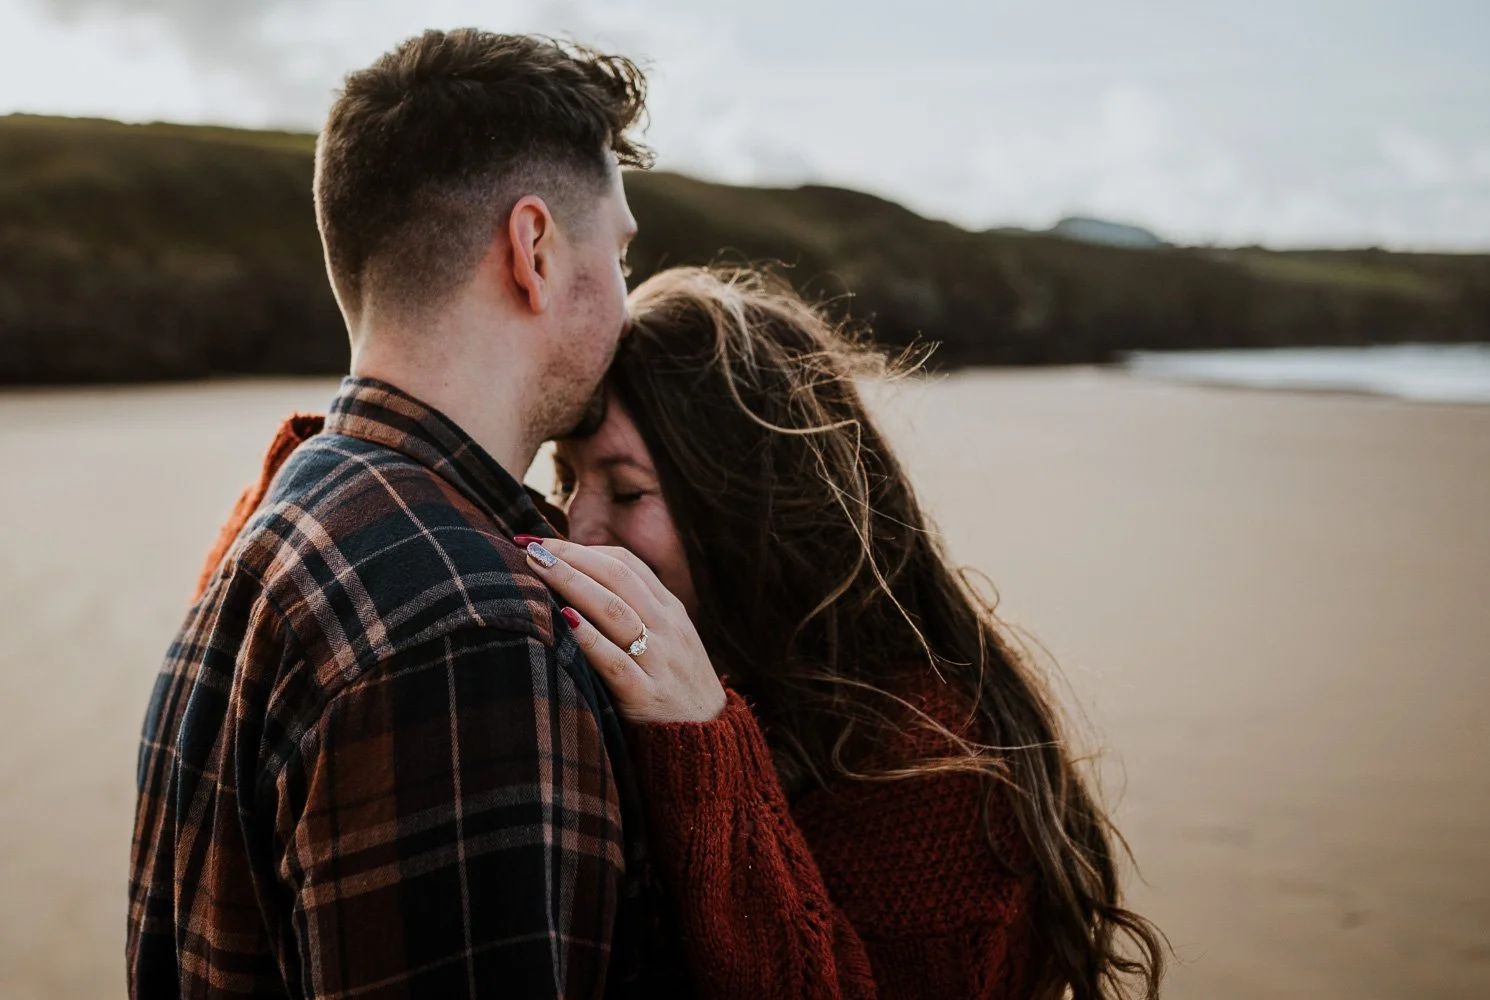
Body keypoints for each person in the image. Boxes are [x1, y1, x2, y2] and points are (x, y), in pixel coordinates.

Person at [127, 29, 658, 998]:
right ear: (532, 248)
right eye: (621, 251)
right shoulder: (467, 629)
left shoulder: (286, 520)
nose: (628, 298)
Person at [525, 266, 1169, 999]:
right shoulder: (725, 676)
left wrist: (700, 745)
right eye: (565, 479)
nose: (578, 526)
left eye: (628, 488)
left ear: (755, 500)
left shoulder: (926, 771)